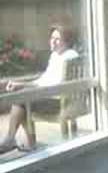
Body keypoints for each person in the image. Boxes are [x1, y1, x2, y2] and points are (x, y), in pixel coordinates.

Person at [0, 22, 78, 153]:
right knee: (22, 98)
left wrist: (27, 89)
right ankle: (18, 140)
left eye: (58, 39)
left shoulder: (69, 56)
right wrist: (22, 85)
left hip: (60, 101)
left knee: (21, 101)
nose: (53, 42)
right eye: (52, 38)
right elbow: (45, 80)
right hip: (55, 97)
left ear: (67, 41)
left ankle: (13, 140)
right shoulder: (56, 56)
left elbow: (55, 83)